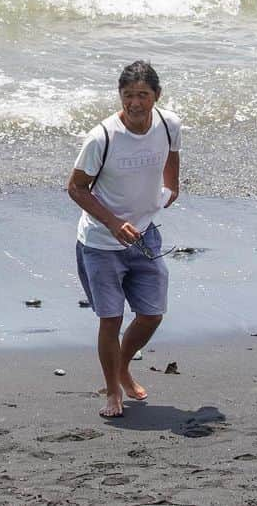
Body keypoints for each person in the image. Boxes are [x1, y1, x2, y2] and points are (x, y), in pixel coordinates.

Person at [67, 60, 181, 418]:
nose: (135, 103)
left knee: (151, 314)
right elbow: (76, 188)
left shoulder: (168, 123)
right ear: (120, 96)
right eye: (128, 95)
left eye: (143, 95)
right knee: (111, 319)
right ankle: (113, 390)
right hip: (100, 243)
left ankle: (122, 366)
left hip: (145, 236)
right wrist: (114, 223)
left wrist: (171, 189)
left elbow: (171, 158)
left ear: (156, 96)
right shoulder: (101, 137)